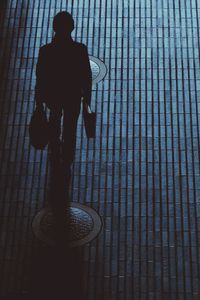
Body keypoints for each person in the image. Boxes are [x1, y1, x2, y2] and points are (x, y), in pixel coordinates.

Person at [35, 11, 92, 180]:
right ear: (72, 28)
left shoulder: (46, 51)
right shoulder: (80, 50)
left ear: (54, 28)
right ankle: (67, 158)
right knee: (70, 127)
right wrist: (87, 98)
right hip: (72, 95)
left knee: (54, 118)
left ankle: (54, 146)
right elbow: (86, 76)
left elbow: (41, 75)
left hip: (53, 95)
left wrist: (39, 99)